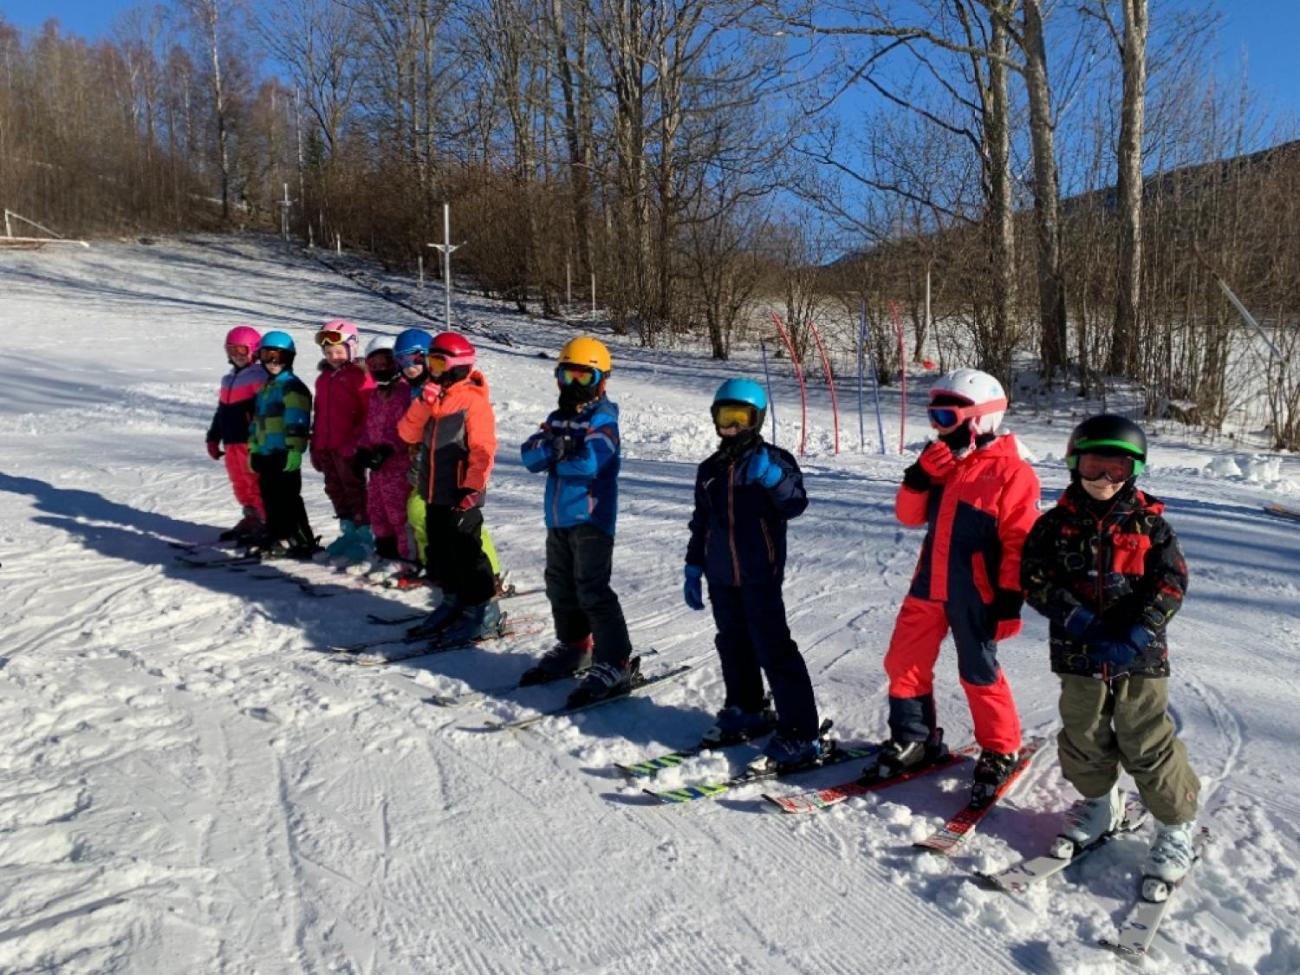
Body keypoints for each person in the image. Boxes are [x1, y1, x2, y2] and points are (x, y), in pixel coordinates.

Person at [1020, 414, 1198, 894]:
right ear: (1075, 464)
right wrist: (1078, 620)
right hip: (1079, 653)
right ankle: (1100, 804)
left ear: (1133, 470)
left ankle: (1176, 825)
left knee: (1145, 737)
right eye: (1094, 466)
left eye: (1115, 470)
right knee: (1084, 730)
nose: (1102, 480)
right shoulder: (1053, 526)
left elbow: (1172, 582)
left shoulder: (1150, 525)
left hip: (1140, 655)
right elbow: (1034, 578)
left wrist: (1140, 630)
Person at [869, 368, 1040, 805]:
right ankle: (914, 738)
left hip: (976, 592)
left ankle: (1001, 748)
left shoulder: (1012, 472)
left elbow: (1020, 540)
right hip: (929, 585)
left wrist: (1009, 597)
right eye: (934, 416)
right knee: (903, 662)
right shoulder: (941, 464)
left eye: (946, 417)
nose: (937, 428)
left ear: (981, 418)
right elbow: (909, 516)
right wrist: (918, 479)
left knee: (978, 672)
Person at [682, 378, 823, 768]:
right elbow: (701, 522)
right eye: (726, 418)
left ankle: (801, 732)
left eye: (741, 418)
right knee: (732, 642)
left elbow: (795, 503)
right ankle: (747, 707)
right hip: (720, 576)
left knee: (773, 648)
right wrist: (694, 565)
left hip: (760, 574)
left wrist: (773, 480)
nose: (733, 428)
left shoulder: (774, 460)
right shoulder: (709, 470)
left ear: (756, 420)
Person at [519, 336, 635, 707]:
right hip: (558, 518)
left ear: (601, 380)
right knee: (559, 585)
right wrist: (556, 449)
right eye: (566, 375)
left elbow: (590, 463)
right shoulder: (557, 419)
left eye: (583, 378)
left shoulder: (603, 420)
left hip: (591, 518)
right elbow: (529, 456)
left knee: (592, 589)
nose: (573, 385)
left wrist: (558, 452)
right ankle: (574, 645)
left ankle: (615, 659)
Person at [397, 331, 500, 644]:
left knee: (468, 553)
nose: (433, 368)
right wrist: (422, 405)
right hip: (433, 491)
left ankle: (484, 612)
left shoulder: (472, 402)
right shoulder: (433, 397)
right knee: (441, 553)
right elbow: (407, 434)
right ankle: (453, 602)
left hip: (460, 495)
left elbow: (483, 448)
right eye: (431, 361)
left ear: (458, 364)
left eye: (439, 362)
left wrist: (471, 488)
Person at [245, 331, 317, 558]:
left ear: (289, 358)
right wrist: (253, 448)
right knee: (269, 496)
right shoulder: (267, 388)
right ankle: (276, 534)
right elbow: (257, 421)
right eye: (266, 356)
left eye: (278, 357)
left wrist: (295, 449)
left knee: (288, 497)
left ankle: (301, 539)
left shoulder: (292, 387)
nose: (272, 362)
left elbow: (297, 421)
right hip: (266, 452)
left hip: (284, 453)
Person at [310, 320, 374, 562]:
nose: (333, 357)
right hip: (327, 447)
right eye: (328, 353)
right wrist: (315, 445)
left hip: (349, 449)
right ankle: (348, 533)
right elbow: (319, 414)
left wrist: (356, 443)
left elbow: (370, 414)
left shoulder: (360, 377)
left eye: (338, 352)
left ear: (351, 349)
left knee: (355, 490)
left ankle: (365, 536)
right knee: (335, 490)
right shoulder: (324, 378)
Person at [353, 335, 414, 576]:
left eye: (385, 363)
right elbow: (370, 427)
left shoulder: (405, 393)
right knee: (376, 508)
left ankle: (404, 557)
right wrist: (363, 448)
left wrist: (388, 447)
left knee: (397, 511)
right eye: (374, 365)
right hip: (378, 467)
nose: (380, 369)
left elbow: (407, 427)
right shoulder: (376, 395)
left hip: (398, 464)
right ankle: (385, 552)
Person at [206, 325, 267, 542]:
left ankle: (266, 521)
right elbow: (221, 410)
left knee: (254, 480)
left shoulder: (260, 376)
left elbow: (265, 409)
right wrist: (213, 437)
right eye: (231, 351)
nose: (236, 356)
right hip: (231, 441)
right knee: (239, 481)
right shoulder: (228, 379)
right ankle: (251, 517)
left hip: (250, 440)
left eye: (241, 351)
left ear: (254, 350)